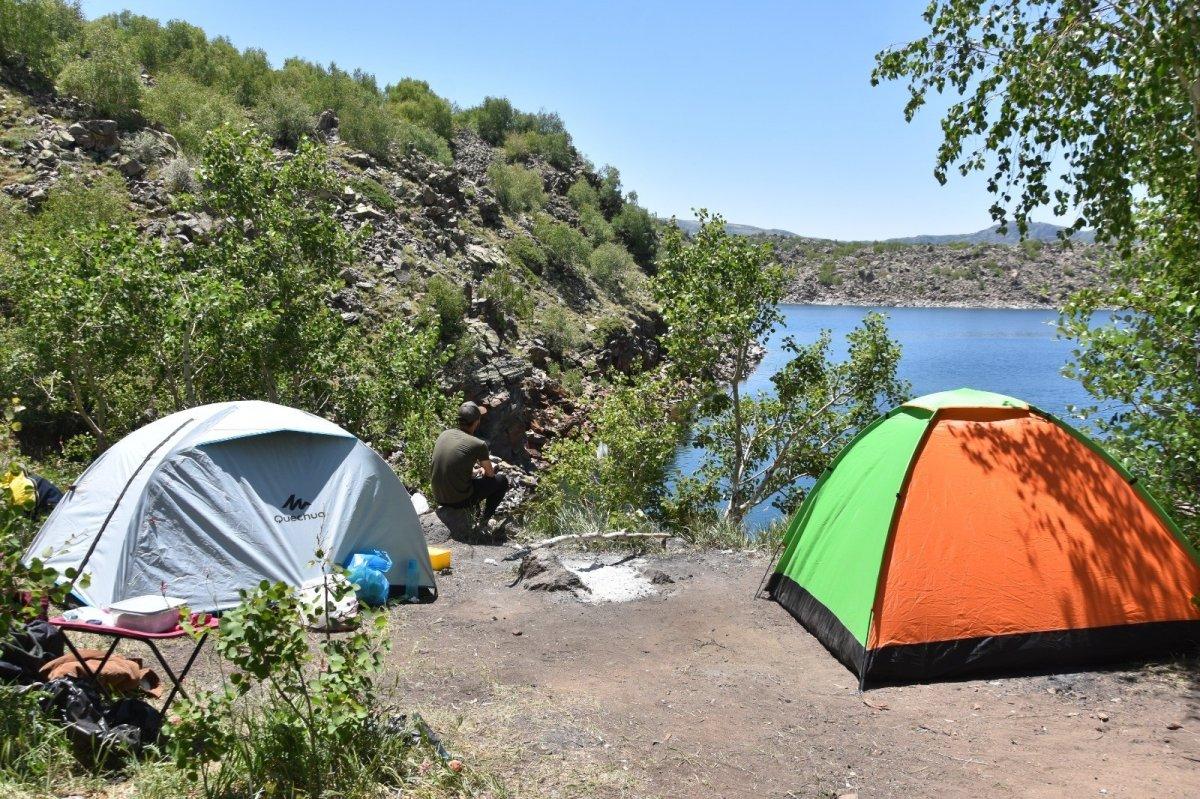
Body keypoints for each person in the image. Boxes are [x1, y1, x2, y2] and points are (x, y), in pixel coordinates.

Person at [430, 401, 509, 532]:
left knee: (475, 480)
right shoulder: (478, 444)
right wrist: (484, 469)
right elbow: (490, 475)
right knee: (502, 481)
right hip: (457, 500)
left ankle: (474, 514)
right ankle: (484, 521)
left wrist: (473, 471)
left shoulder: (444, 434)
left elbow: (453, 464)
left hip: (438, 496)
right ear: (477, 421)